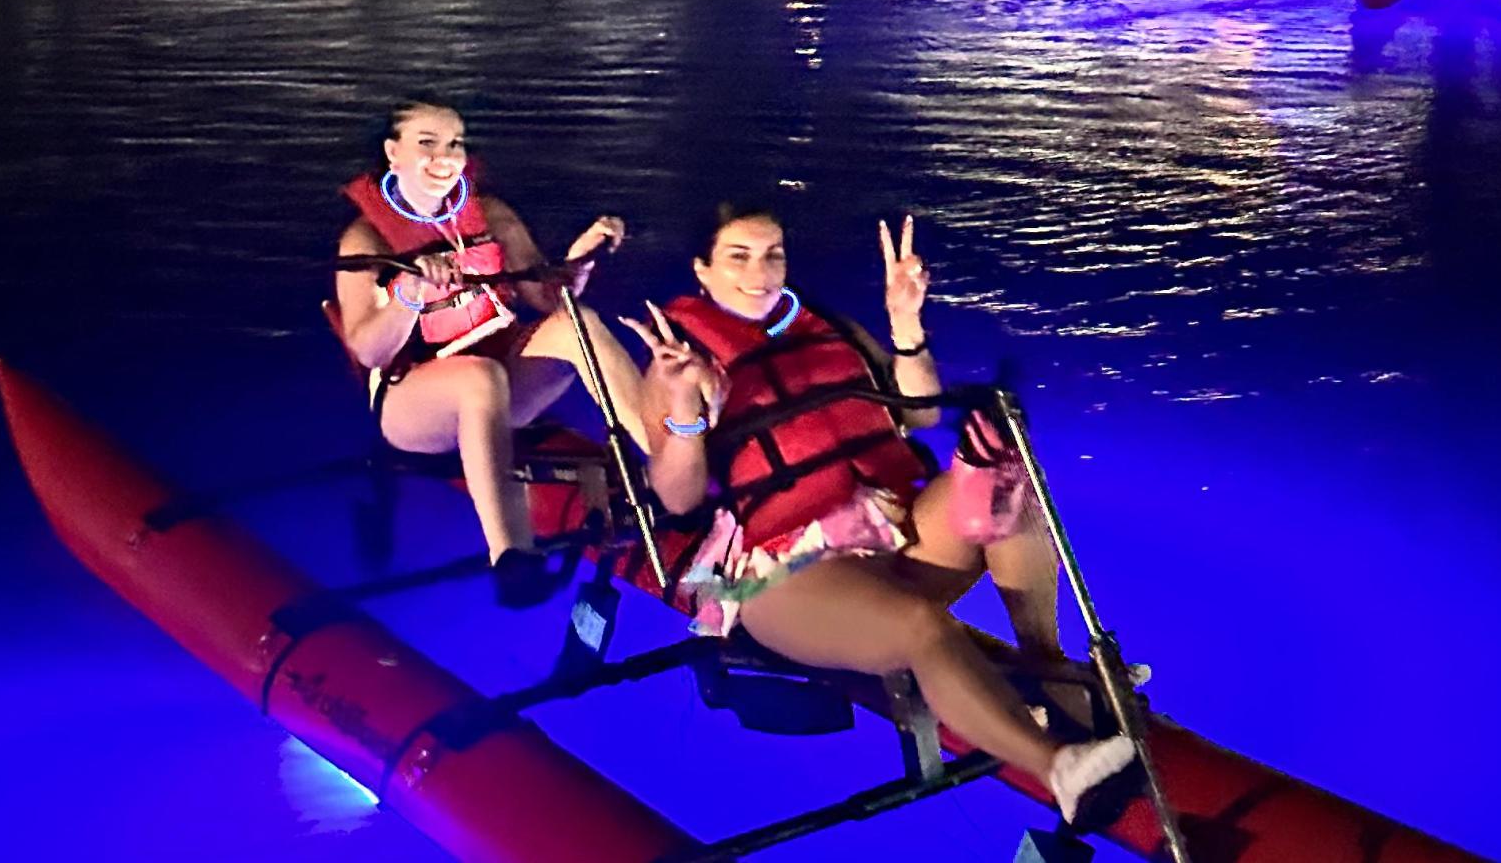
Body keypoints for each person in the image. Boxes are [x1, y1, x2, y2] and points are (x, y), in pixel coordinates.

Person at [622, 203, 1148, 829]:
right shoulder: (681, 359)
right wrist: (684, 408)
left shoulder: (827, 326)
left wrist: (905, 322)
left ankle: (1049, 664)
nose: (761, 273)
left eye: (773, 254)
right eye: (739, 257)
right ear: (702, 270)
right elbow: (677, 498)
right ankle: (1060, 768)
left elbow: (920, 413)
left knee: (1004, 476)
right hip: (786, 572)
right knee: (920, 625)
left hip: (891, 527)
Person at [333, 99, 650, 608]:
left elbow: (549, 297)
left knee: (577, 323)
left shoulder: (490, 214)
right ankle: (511, 558)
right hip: (412, 403)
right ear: (393, 153)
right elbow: (368, 349)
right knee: (478, 377)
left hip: (500, 380)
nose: (446, 156)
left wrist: (581, 257)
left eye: (455, 143)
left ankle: (666, 459)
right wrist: (409, 294)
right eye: (427, 143)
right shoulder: (365, 239)